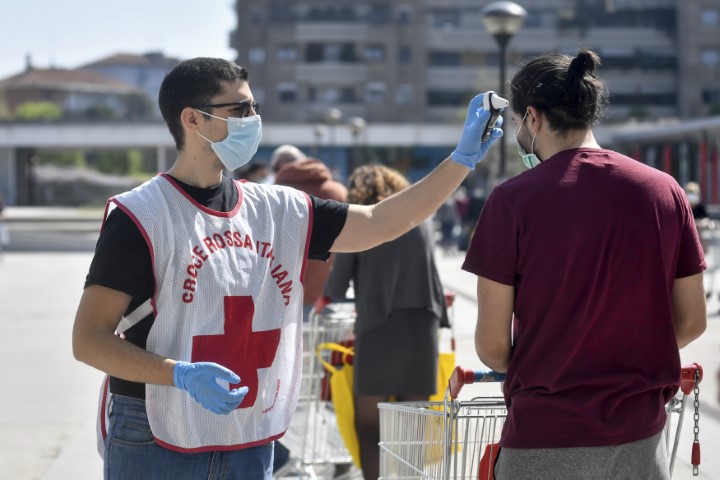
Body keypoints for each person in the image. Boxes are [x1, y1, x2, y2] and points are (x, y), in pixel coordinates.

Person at [71, 56, 503, 480]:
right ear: (193, 120)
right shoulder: (142, 216)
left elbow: (382, 222)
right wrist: (178, 374)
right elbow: (88, 340)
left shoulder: (277, 208)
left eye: (254, 107)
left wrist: (460, 161)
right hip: (154, 430)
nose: (253, 119)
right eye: (239, 109)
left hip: (247, 432)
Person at [462, 50, 707, 480]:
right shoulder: (664, 191)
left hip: (543, 438)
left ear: (533, 119)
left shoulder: (511, 201)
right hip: (640, 439)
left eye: (519, 123)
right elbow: (692, 320)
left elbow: (493, 347)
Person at [323, 165, 449, 480]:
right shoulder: (419, 217)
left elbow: (337, 286)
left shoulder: (363, 219)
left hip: (378, 329)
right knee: (413, 425)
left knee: (369, 425)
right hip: (423, 327)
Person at [268, 144, 348, 472]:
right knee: (328, 383)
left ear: (278, 168)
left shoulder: (275, 196)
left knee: (279, 384)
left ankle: (282, 453)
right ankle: (339, 448)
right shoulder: (336, 191)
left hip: (286, 303)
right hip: (329, 304)